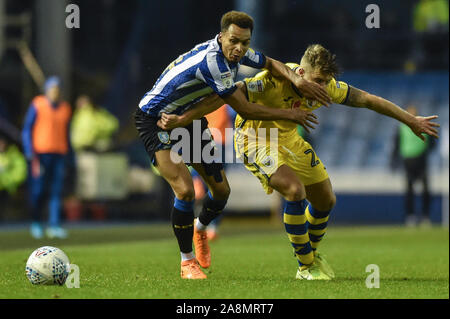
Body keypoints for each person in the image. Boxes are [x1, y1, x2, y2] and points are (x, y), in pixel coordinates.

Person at [157, 44, 440, 280]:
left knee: (326, 200)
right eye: (317, 81)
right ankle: (305, 266)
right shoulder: (271, 81)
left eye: (326, 82)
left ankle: (310, 255)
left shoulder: (328, 86)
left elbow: (368, 100)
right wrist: (183, 119)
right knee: (294, 191)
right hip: (255, 136)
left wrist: (411, 120)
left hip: (289, 138)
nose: (322, 88)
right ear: (300, 73)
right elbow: (227, 96)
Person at [134, 10, 331, 280]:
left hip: (187, 119)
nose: (239, 48)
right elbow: (246, 109)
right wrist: (291, 115)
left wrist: (296, 78)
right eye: (234, 41)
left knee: (221, 191)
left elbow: (271, 63)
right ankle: (187, 262)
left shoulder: (238, 53)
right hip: (156, 119)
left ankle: (200, 228)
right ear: (221, 36)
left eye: (245, 42)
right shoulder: (213, 63)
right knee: (185, 190)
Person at [22, 76, 72, 239]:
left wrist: (71, 155)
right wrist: (29, 150)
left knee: (56, 191)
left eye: (57, 89)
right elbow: (27, 129)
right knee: (38, 190)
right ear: (47, 90)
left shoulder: (65, 108)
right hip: (40, 155)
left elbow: (67, 133)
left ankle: (54, 225)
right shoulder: (38, 104)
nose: (55, 92)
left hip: (59, 154)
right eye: (52, 89)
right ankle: (36, 222)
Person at [391, 105, 436, 227]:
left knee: (426, 190)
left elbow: (432, 142)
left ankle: (425, 216)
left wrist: (426, 151)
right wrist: (394, 160)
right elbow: (396, 144)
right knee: (409, 190)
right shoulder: (401, 128)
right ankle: (410, 216)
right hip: (408, 161)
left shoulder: (423, 125)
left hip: (422, 160)